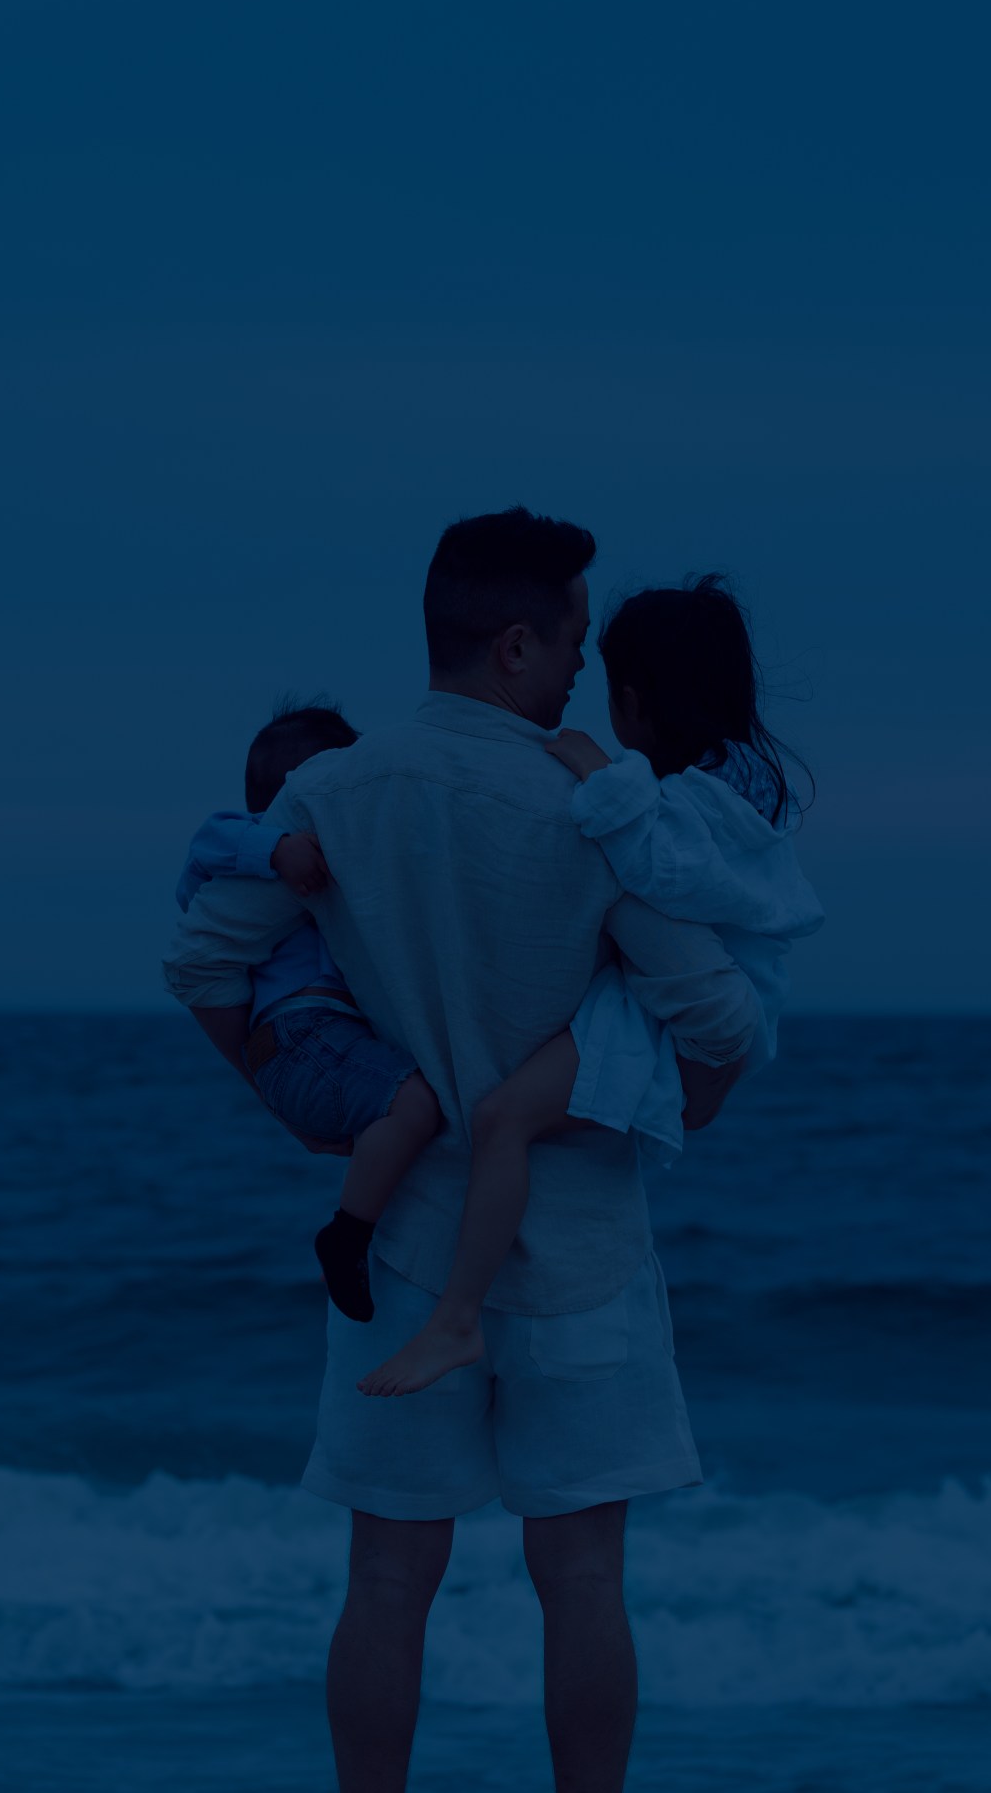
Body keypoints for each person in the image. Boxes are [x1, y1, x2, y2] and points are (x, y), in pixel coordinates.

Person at [163, 506, 758, 1793]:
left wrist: (312, 1104)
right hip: (584, 1240)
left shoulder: (333, 791)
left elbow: (204, 960)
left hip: (409, 1247)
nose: (579, 673)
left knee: (387, 1578)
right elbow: (714, 1015)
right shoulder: (594, 804)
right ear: (512, 646)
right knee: (585, 1579)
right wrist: (682, 1100)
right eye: (571, 644)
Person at [356, 573, 823, 1399]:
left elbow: (659, 872)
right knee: (528, 1116)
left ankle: (456, 1321)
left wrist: (599, 775)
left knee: (501, 1117)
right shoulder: (743, 786)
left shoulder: (694, 803)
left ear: (638, 701)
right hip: (700, 1009)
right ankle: (465, 1315)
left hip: (671, 1016)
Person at [174, 698, 442, 1323]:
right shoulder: (258, 853)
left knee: (407, 1116)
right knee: (413, 1104)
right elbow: (202, 855)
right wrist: (273, 849)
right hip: (298, 1032)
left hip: (309, 1044)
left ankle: (363, 1230)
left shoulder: (349, 865)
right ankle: (346, 1235)